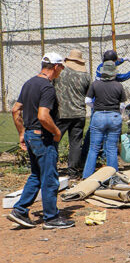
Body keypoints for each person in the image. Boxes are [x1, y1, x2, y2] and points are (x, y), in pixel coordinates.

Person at [7, 53, 75, 230]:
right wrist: (57, 131)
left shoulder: (29, 83)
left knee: (36, 175)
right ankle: (51, 217)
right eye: (61, 67)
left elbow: (15, 110)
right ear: (55, 67)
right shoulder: (47, 88)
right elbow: (43, 116)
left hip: (30, 135)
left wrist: (22, 133)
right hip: (42, 137)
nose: (62, 70)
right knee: (50, 178)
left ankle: (20, 210)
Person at [82, 58, 127, 179]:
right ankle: (113, 177)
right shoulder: (119, 86)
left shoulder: (95, 84)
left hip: (99, 116)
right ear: (114, 73)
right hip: (114, 116)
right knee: (111, 148)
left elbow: (87, 101)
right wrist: (118, 113)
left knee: (94, 148)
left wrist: (96, 107)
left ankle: (87, 177)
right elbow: (122, 105)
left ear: (103, 72)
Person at [53, 49, 91, 178]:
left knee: (53, 141)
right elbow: (88, 95)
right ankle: (73, 172)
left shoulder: (60, 72)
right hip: (79, 113)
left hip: (61, 113)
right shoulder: (86, 76)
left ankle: (51, 169)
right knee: (75, 143)